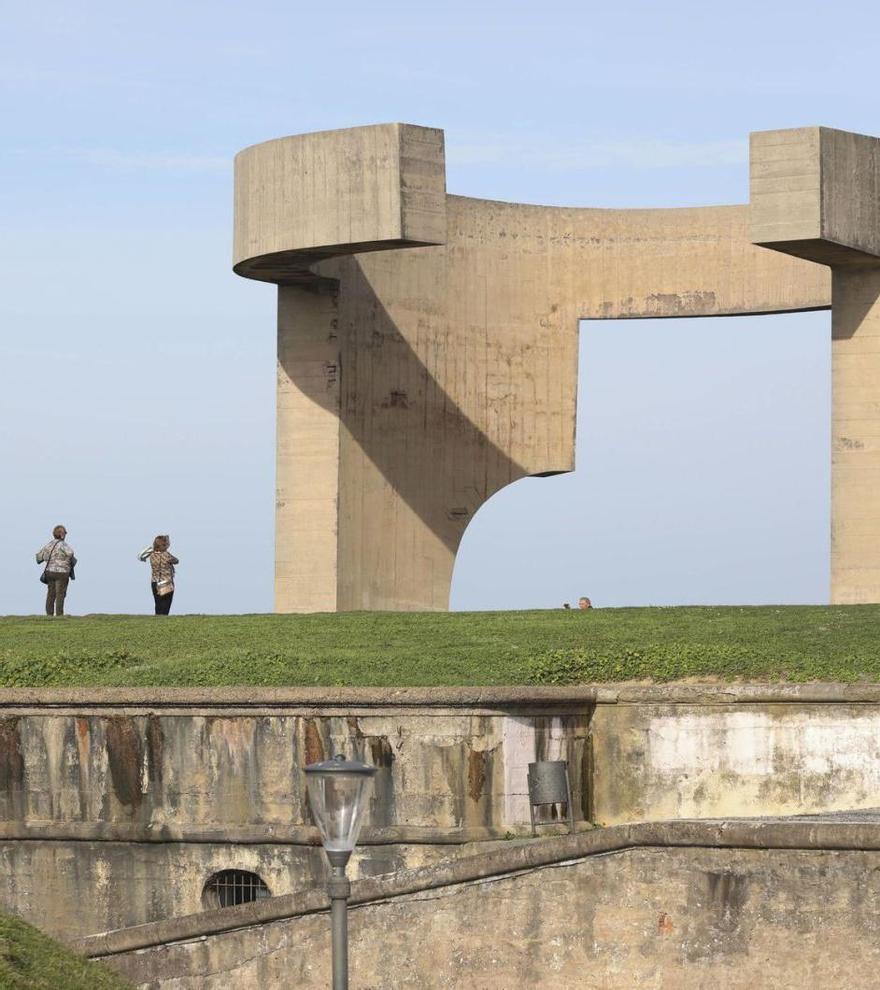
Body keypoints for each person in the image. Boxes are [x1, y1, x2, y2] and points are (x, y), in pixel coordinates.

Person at [35, 525, 77, 617]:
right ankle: (59, 615)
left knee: (51, 593)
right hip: (62, 572)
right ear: (61, 534)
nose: (65, 535)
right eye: (65, 533)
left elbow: (39, 557)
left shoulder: (49, 544)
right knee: (60, 594)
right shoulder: (63, 544)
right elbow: (70, 553)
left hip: (49, 572)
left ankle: (49, 614)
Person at [138, 535, 179, 615]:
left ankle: (157, 622)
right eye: (167, 543)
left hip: (154, 582)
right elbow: (176, 561)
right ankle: (163, 623)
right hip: (165, 582)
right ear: (164, 545)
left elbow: (141, 556)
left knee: (158, 604)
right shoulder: (166, 555)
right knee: (165, 605)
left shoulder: (152, 555)